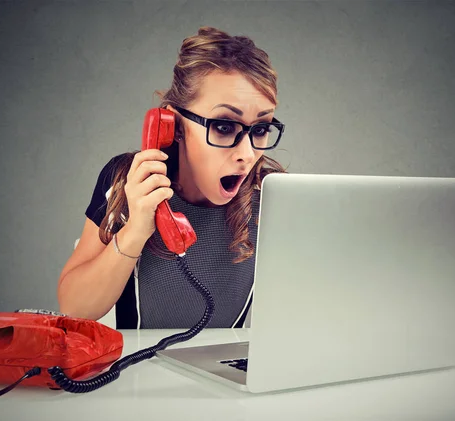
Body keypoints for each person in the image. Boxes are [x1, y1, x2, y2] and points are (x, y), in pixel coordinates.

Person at [56, 26, 287, 329]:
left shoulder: (273, 198)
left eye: (260, 129)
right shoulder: (129, 182)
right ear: (174, 125)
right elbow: (74, 308)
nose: (246, 153)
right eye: (224, 126)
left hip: (223, 368)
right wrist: (137, 227)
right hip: (138, 369)